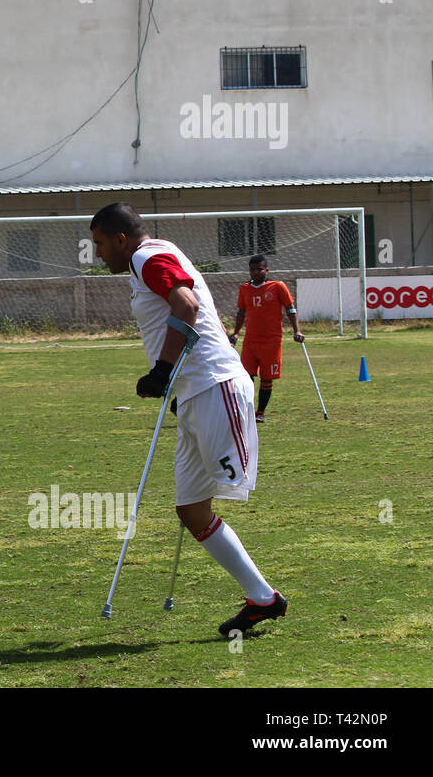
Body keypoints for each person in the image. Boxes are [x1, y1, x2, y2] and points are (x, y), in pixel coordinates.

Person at [89, 203, 287, 638]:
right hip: (195, 394)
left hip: (216, 386)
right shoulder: (154, 253)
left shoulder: (145, 257)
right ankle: (263, 600)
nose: (98, 254)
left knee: (228, 492)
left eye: (100, 245)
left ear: (121, 239)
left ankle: (264, 596)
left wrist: (162, 371)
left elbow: (185, 302)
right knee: (191, 509)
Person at [229, 255, 304, 423]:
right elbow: (241, 311)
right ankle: (246, 411)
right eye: (252, 269)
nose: (255, 273)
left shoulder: (277, 286)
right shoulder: (245, 288)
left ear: (266, 270)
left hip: (272, 340)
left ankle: (260, 412)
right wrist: (236, 332)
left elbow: (290, 309)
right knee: (246, 376)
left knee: (266, 377)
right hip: (251, 340)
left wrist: (297, 330)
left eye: (259, 269)